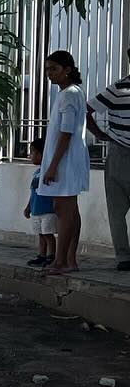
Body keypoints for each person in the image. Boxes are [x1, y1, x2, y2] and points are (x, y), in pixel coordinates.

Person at [40, 50, 91, 275]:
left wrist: (53, 166)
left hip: (65, 161)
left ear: (67, 70)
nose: (49, 73)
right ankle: (70, 260)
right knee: (70, 210)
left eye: (54, 69)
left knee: (63, 209)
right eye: (48, 69)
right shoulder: (72, 92)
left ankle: (61, 260)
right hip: (68, 159)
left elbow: (67, 132)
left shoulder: (69, 94)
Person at [86, 47, 130, 272]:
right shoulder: (117, 88)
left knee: (116, 209)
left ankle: (123, 256)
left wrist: (100, 134)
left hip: (119, 151)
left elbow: (86, 110)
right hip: (119, 152)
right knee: (117, 209)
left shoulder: (117, 88)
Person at [23, 137, 57, 268]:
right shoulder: (36, 173)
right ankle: (41, 255)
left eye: (33, 152)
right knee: (41, 234)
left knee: (48, 234)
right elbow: (33, 192)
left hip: (48, 210)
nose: (31, 155)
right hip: (36, 209)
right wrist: (28, 207)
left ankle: (51, 256)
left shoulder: (49, 172)